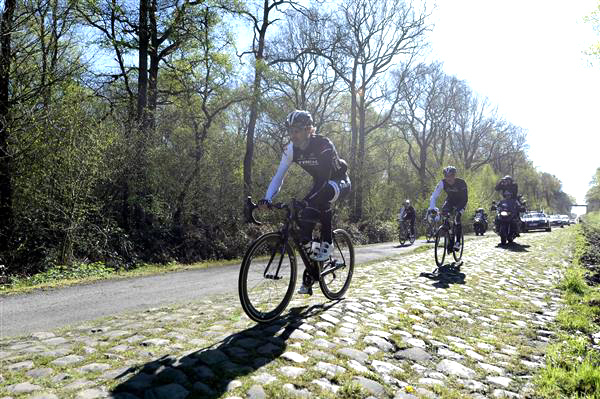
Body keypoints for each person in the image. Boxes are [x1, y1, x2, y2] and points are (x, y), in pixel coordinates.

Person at [258, 110, 351, 295]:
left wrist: (306, 201)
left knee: (322, 195)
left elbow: (325, 179)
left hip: (338, 182)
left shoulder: (323, 144)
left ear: (309, 130)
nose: (293, 135)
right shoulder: (290, 149)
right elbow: (279, 177)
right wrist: (267, 198)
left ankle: (328, 241)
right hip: (319, 184)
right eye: (290, 130)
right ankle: (312, 272)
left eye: (297, 130)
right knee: (304, 228)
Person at [428, 166, 468, 251]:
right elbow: (434, 196)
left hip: (461, 202)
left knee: (457, 218)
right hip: (450, 201)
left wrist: (458, 209)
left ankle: (457, 242)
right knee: (444, 215)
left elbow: (465, 198)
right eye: (446, 176)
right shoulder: (442, 183)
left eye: (450, 176)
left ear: (454, 175)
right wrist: (432, 207)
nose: (448, 178)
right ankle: (449, 236)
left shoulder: (461, 183)